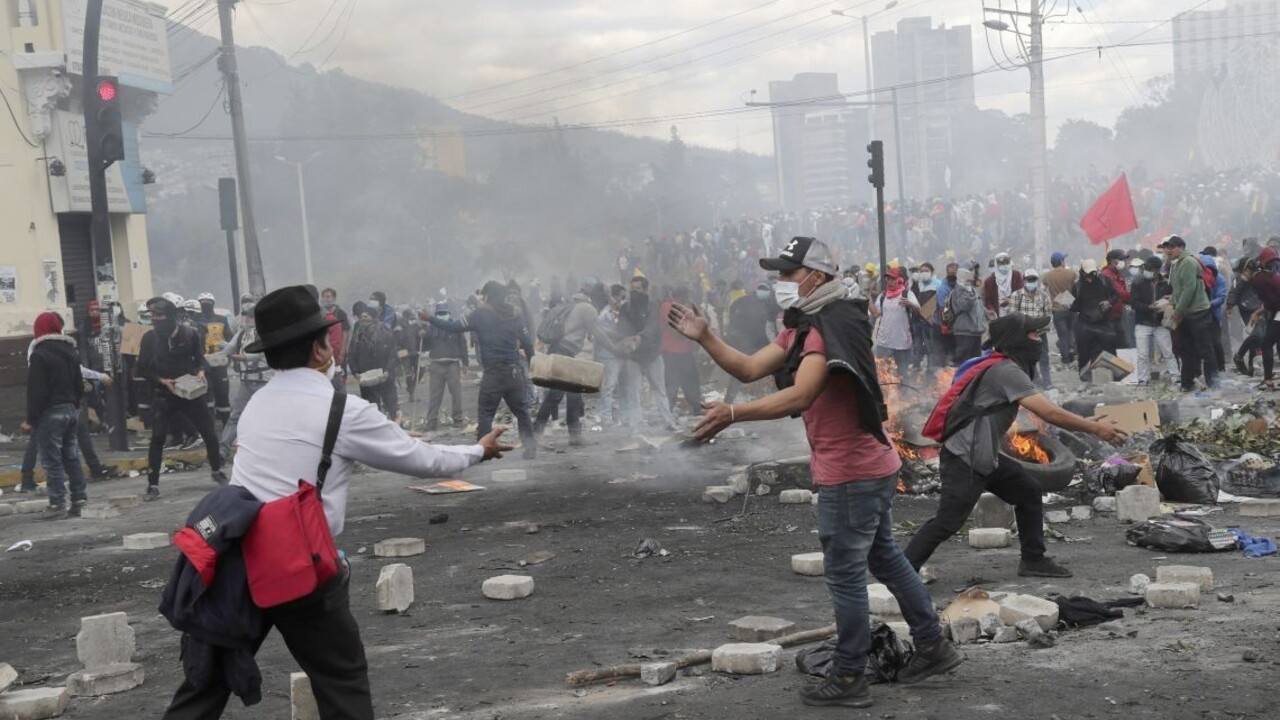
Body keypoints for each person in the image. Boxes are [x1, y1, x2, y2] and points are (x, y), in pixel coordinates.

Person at [158, 286, 513, 720]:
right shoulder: (342, 409)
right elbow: (423, 460)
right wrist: (478, 450)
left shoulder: (256, 404)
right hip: (300, 564)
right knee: (341, 682)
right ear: (319, 347)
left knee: (203, 688)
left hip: (236, 561)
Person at [667, 236, 963, 708]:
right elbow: (746, 369)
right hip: (871, 464)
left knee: (846, 574)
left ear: (815, 277)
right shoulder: (805, 326)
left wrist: (734, 415)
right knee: (885, 556)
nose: (780, 282)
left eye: (787, 273)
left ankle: (848, 677)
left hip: (852, 473)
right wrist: (705, 336)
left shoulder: (828, 326)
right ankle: (932, 647)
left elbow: (802, 395)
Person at [904, 314, 1127, 579]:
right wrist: (1096, 429)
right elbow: (1049, 413)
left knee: (1028, 491)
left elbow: (1045, 412)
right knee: (948, 522)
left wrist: (1083, 422)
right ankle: (903, 570)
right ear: (1016, 339)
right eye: (1033, 334)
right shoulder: (1005, 370)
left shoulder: (1003, 366)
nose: (1039, 339)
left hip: (985, 457)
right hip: (967, 458)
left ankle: (1034, 560)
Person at [422, 281, 538, 459]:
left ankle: (483, 451)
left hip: (493, 374)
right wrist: (532, 365)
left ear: (488, 296)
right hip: (514, 373)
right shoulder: (516, 315)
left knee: (485, 413)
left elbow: (453, 327)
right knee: (522, 411)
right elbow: (528, 343)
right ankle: (530, 449)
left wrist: (430, 318)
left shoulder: (481, 314)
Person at [136, 297, 227, 500]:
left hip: (189, 391)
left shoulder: (190, 334)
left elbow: (200, 358)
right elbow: (142, 368)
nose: (154, 319)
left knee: (209, 432)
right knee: (158, 438)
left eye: (158, 315)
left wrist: (201, 371)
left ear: (171, 316)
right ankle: (153, 485)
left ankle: (217, 470)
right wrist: (161, 380)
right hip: (164, 393)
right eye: (152, 316)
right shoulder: (149, 338)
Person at [23, 312, 90, 519]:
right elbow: (79, 384)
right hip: (71, 410)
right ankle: (79, 499)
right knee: (71, 456)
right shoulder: (70, 351)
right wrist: (75, 405)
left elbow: (37, 391)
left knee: (51, 460)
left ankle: (57, 503)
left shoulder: (39, 354)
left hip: (50, 412)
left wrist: (31, 419)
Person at [534, 290, 605, 445]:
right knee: (557, 394)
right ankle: (536, 432)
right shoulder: (587, 308)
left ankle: (574, 436)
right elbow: (599, 334)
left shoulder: (568, 306)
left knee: (573, 394)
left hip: (559, 350)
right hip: (563, 352)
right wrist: (616, 347)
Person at [618, 275, 678, 431]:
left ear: (645, 289)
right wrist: (626, 340)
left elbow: (653, 327)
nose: (634, 292)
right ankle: (636, 425)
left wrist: (640, 337)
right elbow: (621, 328)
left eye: (637, 289)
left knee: (659, 389)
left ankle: (668, 421)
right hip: (634, 356)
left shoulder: (652, 306)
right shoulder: (626, 308)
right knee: (633, 391)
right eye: (632, 289)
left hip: (652, 354)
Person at [217, 302, 271, 462]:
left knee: (267, 417)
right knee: (236, 415)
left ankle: (268, 449)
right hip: (247, 381)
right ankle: (222, 450)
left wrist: (240, 356)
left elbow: (258, 352)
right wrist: (218, 354)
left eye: (251, 316)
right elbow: (230, 348)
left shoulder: (266, 333)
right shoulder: (241, 333)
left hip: (265, 381)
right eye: (247, 316)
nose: (248, 319)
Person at [1164, 235, 1219, 392]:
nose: (1169, 250)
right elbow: (1177, 290)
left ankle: (1214, 384)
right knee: (1186, 350)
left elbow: (1189, 289)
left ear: (1181, 248)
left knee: (1205, 349)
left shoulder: (1188, 262)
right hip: (1185, 313)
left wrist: (1177, 311)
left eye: (1172, 247)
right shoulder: (1175, 264)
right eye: (1167, 247)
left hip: (1198, 312)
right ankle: (1187, 383)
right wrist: (1173, 305)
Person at [347, 303, 401, 422]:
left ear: (374, 317)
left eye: (367, 315)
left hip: (385, 376)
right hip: (366, 378)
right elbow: (351, 355)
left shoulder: (385, 332)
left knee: (392, 406)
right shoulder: (357, 335)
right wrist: (355, 371)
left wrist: (387, 370)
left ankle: (398, 431)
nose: (364, 318)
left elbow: (392, 355)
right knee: (371, 410)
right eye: (362, 316)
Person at [1129, 256, 1179, 386]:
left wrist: (1166, 303)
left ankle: (1176, 377)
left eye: (1149, 269)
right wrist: (1148, 307)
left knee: (1168, 352)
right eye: (1146, 268)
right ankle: (1143, 379)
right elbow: (1133, 303)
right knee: (1142, 355)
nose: (1146, 271)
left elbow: (1173, 300)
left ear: (1157, 270)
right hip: (1143, 323)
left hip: (1160, 323)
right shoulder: (1138, 282)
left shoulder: (1166, 284)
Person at [724, 282, 776, 403]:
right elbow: (733, 320)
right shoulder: (743, 302)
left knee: (772, 369)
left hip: (762, 342)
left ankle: (774, 397)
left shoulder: (770, 303)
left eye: (765, 289)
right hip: (746, 342)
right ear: (756, 289)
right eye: (761, 289)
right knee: (740, 371)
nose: (764, 291)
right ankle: (729, 399)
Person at [422, 303, 469, 432]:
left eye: (444, 313)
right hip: (436, 365)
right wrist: (422, 336)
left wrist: (465, 363)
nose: (442, 316)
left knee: (456, 394)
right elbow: (425, 347)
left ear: (448, 313)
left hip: (452, 365)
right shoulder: (430, 328)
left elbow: (463, 344)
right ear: (436, 315)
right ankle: (431, 421)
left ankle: (458, 419)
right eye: (440, 314)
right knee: (434, 396)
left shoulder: (455, 327)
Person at [659, 286, 702, 416]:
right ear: (682, 296)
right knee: (671, 382)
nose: (688, 299)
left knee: (691, 379)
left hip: (685, 350)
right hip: (671, 350)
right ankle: (668, 412)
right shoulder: (667, 306)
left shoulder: (684, 307)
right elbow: (675, 327)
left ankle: (696, 407)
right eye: (686, 296)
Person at [1070, 259, 1118, 375]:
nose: (1090, 277)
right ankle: (1085, 379)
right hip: (1085, 323)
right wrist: (1067, 304)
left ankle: (1113, 377)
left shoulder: (1104, 281)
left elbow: (1115, 295)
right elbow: (1074, 306)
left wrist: (1109, 302)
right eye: (1087, 274)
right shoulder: (1077, 286)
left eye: (1093, 273)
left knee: (1109, 350)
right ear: (1082, 272)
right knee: (1084, 352)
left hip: (1103, 321)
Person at [1008, 269, 1052, 388]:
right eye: (1029, 280)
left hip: (1039, 334)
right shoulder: (1016, 296)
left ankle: (1047, 383)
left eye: (1034, 280)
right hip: (1023, 334)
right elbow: (1012, 318)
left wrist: (1038, 331)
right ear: (1024, 280)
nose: (1031, 282)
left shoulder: (1044, 296)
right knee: (1025, 360)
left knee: (1044, 358)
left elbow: (1048, 316)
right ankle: (1028, 384)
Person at [871, 267, 918, 377]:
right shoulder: (882, 296)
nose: (890, 281)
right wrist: (867, 297)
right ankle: (885, 394)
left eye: (892, 279)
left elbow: (919, 310)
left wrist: (910, 304)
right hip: (884, 342)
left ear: (899, 279)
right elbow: (875, 313)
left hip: (901, 343)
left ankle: (904, 393)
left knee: (902, 374)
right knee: (883, 374)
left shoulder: (907, 294)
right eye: (888, 279)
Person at [196, 293, 234, 426]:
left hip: (219, 362)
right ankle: (209, 425)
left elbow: (230, 338)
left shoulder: (222, 319)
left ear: (213, 303)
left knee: (222, 395)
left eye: (208, 302)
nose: (205, 304)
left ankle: (226, 426)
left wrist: (228, 354)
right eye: (203, 302)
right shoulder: (196, 320)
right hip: (203, 363)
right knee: (207, 396)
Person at [1245, 248, 1280, 390]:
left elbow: (1273, 302)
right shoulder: (1270, 276)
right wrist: (1260, 311)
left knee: (1266, 344)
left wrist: (1260, 311)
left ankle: (1268, 380)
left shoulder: (1258, 280)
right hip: (1277, 311)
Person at [594, 285, 629, 425]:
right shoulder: (604, 315)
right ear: (614, 297)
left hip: (624, 355)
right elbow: (601, 335)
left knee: (625, 386)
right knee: (609, 387)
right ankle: (606, 417)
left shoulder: (625, 313)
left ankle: (626, 416)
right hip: (609, 356)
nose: (623, 300)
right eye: (622, 297)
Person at [1228, 257, 1264, 376]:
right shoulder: (1239, 277)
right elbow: (1233, 292)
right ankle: (1240, 356)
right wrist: (1229, 306)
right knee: (1256, 335)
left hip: (1258, 307)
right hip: (1247, 309)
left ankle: (1251, 365)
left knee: (1258, 337)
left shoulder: (1255, 276)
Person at [946, 264, 986, 364]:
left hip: (975, 331)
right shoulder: (959, 289)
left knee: (975, 362)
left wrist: (986, 312)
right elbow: (964, 305)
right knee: (964, 362)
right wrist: (969, 292)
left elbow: (977, 305)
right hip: (965, 332)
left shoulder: (971, 288)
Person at [1042, 251, 1077, 364]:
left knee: (1062, 335)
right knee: (1071, 331)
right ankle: (1072, 353)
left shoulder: (1047, 276)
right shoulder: (1071, 273)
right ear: (1062, 261)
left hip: (1057, 309)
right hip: (1071, 307)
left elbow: (1042, 289)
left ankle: (1065, 359)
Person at [1201, 255, 1228, 373]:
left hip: (1214, 314)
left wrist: (1211, 303)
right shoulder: (1198, 278)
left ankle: (1221, 367)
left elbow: (1221, 297)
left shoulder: (1220, 279)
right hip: (1199, 314)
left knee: (1216, 342)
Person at [1101, 249, 1132, 349]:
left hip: (1116, 315)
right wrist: (1133, 296)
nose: (1125, 262)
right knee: (1117, 345)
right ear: (1114, 261)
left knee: (1121, 344)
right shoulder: (1107, 274)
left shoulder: (1117, 273)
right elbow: (1121, 293)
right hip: (1109, 316)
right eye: (1122, 259)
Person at [320, 288, 347, 390]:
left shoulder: (340, 314)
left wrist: (342, 352)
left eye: (328, 297)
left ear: (334, 298)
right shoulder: (321, 315)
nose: (325, 299)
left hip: (337, 353)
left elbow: (344, 334)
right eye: (323, 297)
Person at [982, 252, 1023, 319]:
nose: (1005, 266)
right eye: (1002, 264)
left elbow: (1021, 292)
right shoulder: (989, 281)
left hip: (1015, 315)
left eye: (1007, 263)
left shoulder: (1016, 276)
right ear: (996, 265)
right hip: (998, 316)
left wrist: (1011, 300)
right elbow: (988, 301)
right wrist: (992, 311)